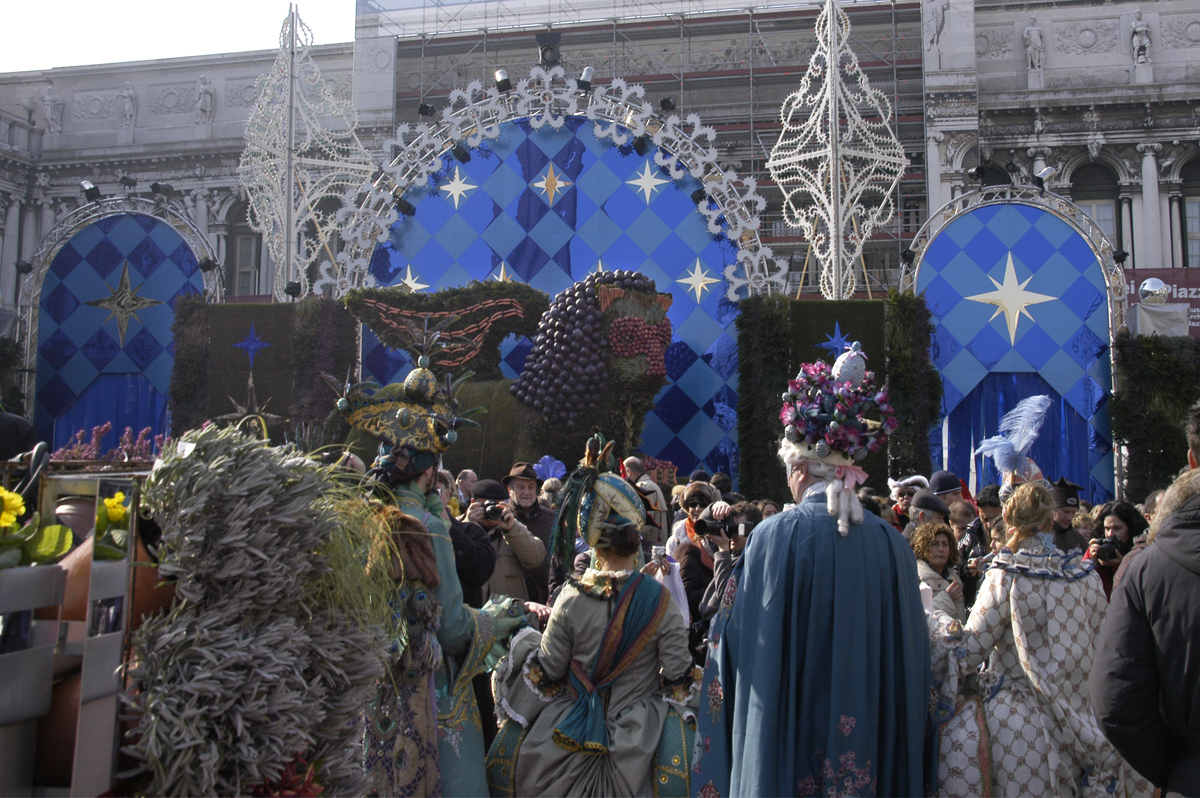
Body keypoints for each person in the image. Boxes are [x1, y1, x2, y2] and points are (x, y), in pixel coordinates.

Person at [694, 345, 934, 797]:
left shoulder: (770, 538)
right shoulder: (891, 545)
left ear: (800, 469)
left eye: (789, 471)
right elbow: (912, 655)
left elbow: (734, 642)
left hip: (786, 739)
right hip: (869, 736)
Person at [338, 348, 522, 796]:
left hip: (371, 691)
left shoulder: (362, 518)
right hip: (429, 697)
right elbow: (454, 629)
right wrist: (497, 619)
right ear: (430, 471)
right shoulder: (429, 526)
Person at [487, 436, 702, 796]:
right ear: (635, 538)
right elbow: (679, 676)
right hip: (637, 741)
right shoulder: (660, 599)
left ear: (592, 543)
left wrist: (521, 647)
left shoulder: (570, 598)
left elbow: (548, 673)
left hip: (565, 735)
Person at [928, 482, 1149, 797]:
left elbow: (969, 651)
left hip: (1019, 719)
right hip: (1084, 717)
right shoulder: (1083, 575)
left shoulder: (1004, 575)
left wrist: (936, 623)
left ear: (1009, 520)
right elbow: (1107, 648)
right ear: (1049, 520)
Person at [1091, 467, 1200, 795]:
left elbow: (1115, 701)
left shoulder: (1144, 569)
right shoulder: (1142, 567)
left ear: (1192, 459)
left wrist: (1176, 767)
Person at [467, 478, 548, 603]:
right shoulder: (458, 527)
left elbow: (536, 559)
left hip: (507, 611)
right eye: (486, 505)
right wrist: (469, 526)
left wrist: (512, 530)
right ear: (473, 503)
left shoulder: (513, 528)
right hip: (470, 609)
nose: (491, 509)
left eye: (496, 505)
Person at [502, 462, 554, 605]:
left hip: (547, 600)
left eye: (531, 487)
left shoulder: (552, 519)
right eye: (520, 487)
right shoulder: (500, 520)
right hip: (510, 602)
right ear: (509, 490)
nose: (526, 492)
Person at [1085, 501, 1148, 600]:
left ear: (1130, 529)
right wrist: (1093, 563)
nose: (1110, 534)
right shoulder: (1097, 547)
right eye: (1107, 528)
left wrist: (1122, 565)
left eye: (1117, 528)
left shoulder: (1140, 552)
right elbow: (1084, 587)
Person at [911, 522, 967, 622]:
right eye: (935, 544)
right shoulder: (915, 577)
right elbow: (916, 617)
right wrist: (947, 598)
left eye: (945, 544)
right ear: (923, 547)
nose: (941, 549)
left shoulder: (954, 577)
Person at [624, 456, 669, 559]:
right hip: (656, 547)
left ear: (629, 472)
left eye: (623, 471)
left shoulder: (643, 487)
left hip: (650, 549)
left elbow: (646, 523)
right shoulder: (650, 485)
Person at [665, 481, 720, 558]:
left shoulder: (718, 535)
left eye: (703, 504)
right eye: (693, 504)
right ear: (687, 507)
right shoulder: (675, 539)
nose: (697, 509)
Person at [1050, 477, 1090, 553]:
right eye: (1066, 512)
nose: (1070, 517)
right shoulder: (1037, 536)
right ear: (1052, 508)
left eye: (1073, 512)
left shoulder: (1078, 539)